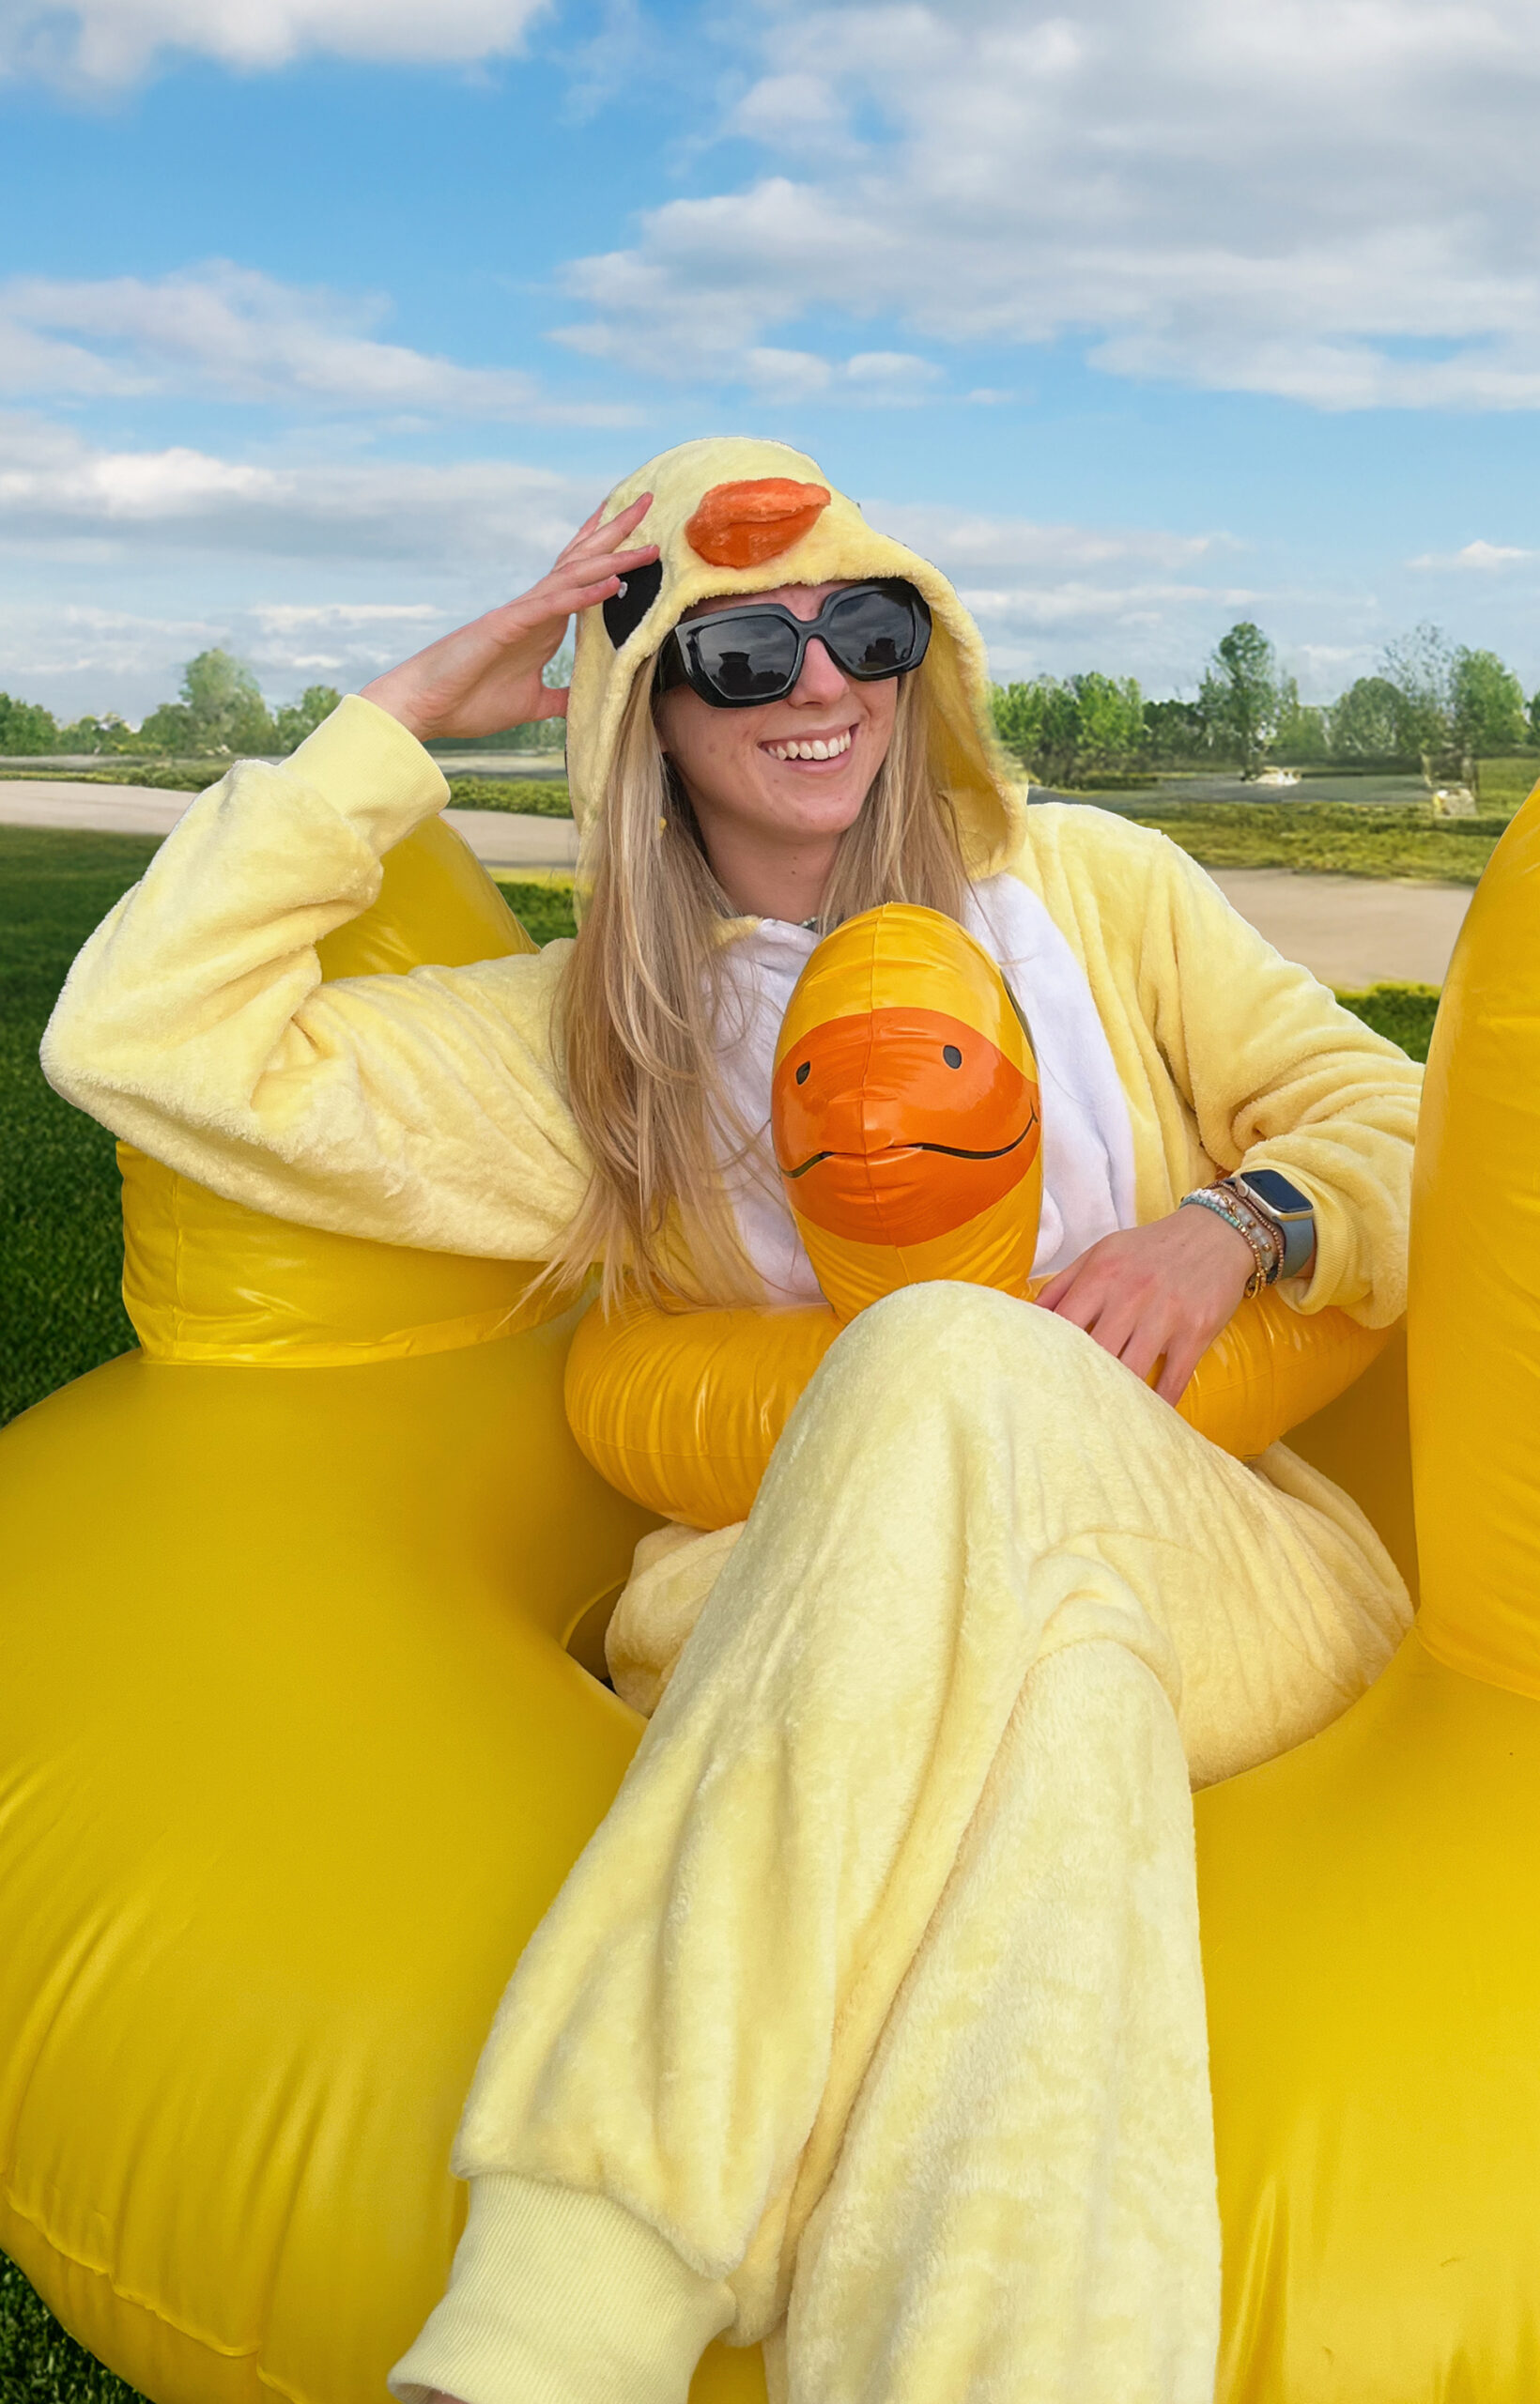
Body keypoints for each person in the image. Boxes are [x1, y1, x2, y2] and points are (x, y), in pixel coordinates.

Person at [41, 437, 1420, 2404]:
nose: (822, 682)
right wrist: (407, 713)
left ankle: (560, 2316)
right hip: (805, 1620)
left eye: (866, 626)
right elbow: (139, 1037)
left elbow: (1398, 1117)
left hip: (1225, 1566)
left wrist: (1236, 1225)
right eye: (742, 654)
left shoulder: (1097, 894)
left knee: (943, 1357)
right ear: (645, 718)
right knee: (1051, 1696)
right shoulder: (592, 1033)